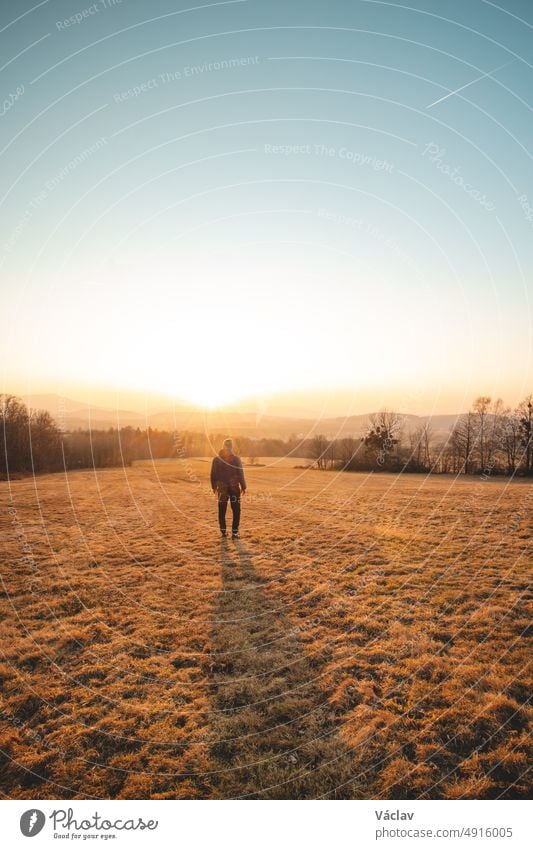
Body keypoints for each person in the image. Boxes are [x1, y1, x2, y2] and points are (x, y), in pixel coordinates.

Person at [210, 438, 246, 538]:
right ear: (231, 446)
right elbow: (240, 473)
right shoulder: (236, 459)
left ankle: (223, 532)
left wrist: (213, 486)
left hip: (222, 487)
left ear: (223, 446)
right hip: (234, 487)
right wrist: (243, 486)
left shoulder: (216, 459)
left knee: (222, 509)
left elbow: (213, 474)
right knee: (236, 510)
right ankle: (234, 533)